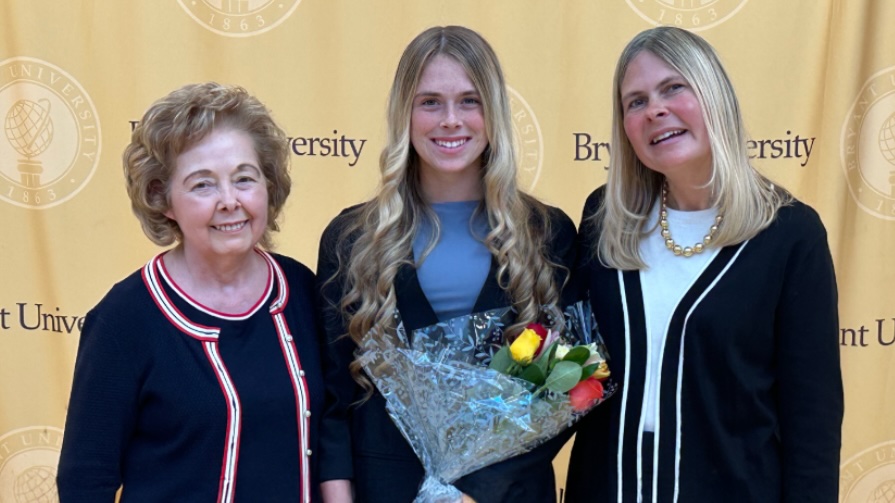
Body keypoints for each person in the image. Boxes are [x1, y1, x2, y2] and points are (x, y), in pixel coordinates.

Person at [565, 26, 842, 503]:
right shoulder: (604, 220)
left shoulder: (790, 235)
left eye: (674, 88)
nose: (655, 109)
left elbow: (812, 421)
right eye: (636, 101)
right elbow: (566, 371)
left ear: (715, 96)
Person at [316, 26, 577, 503]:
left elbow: (563, 387)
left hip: (508, 494)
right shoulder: (351, 239)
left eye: (469, 101)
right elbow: (334, 397)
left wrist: (473, 491)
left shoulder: (548, 233)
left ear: (493, 111)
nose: (450, 120)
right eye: (430, 102)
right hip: (385, 490)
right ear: (405, 113)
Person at [57, 82, 325, 502]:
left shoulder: (303, 291)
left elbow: (333, 433)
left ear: (268, 186)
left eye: (244, 178)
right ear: (163, 198)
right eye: (203, 185)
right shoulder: (125, 319)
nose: (229, 201)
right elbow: (85, 480)